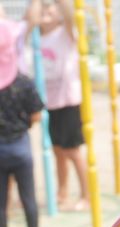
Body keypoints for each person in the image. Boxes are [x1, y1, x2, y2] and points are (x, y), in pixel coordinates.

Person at [25, 0, 88, 211]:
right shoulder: (36, 38)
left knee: (72, 151)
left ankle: (86, 194)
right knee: (57, 151)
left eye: (49, 5)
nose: (45, 9)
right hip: (48, 103)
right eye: (41, 6)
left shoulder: (65, 33)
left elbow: (70, 15)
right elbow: (30, 20)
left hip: (67, 100)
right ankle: (62, 191)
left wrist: (60, 3)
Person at [0, 19, 43, 227]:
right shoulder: (24, 83)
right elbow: (36, 115)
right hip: (20, 147)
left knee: (0, 199)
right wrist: (22, 124)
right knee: (28, 195)